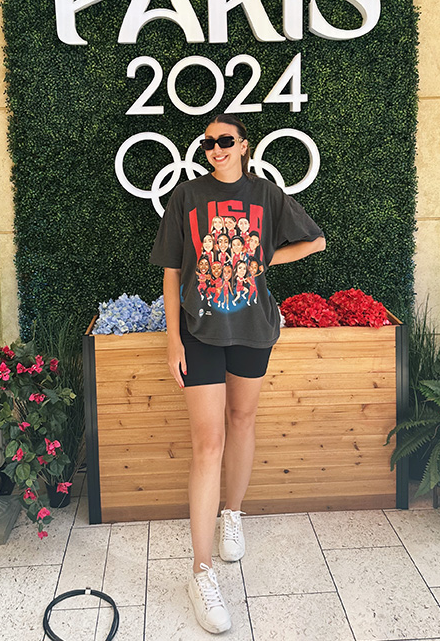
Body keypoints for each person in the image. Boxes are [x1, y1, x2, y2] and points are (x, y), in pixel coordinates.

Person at [149, 114, 325, 635]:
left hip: (252, 328)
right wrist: (172, 339)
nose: (216, 149)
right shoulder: (187, 197)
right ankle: (201, 573)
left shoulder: (268, 196)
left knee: (243, 421)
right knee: (208, 443)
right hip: (200, 335)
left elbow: (315, 241)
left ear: (244, 146)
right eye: (208, 143)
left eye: (226, 141)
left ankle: (234, 513)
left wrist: (266, 257)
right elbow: (173, 271)